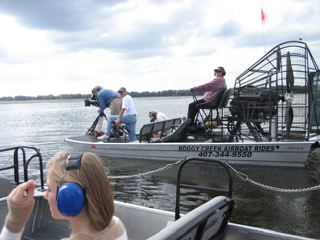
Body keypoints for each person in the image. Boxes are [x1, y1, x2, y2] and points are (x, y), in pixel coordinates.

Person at [0, 152, 128, 240]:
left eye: (49, 189)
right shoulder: (116, 225)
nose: (45, 196)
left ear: (69, 197)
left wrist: (15, 221)